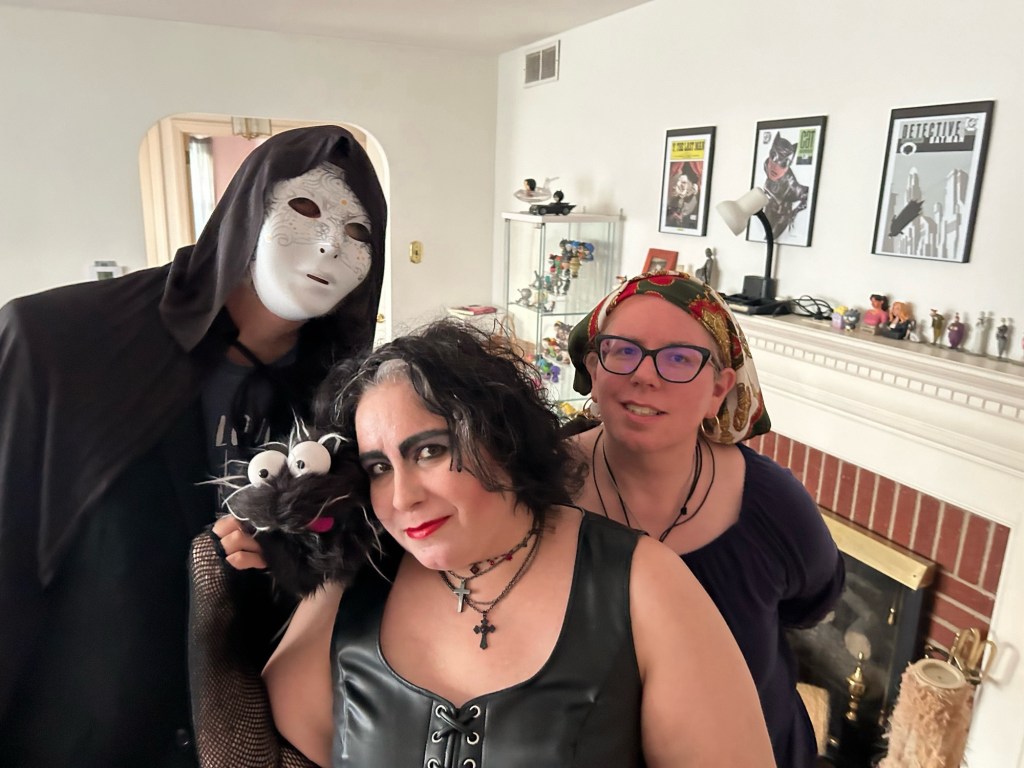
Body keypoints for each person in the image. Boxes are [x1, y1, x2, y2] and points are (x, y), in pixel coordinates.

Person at [189, 320, 775, 767]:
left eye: (430, 451)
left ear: (502, 435)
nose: (403, 497)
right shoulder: (360, 580)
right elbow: (267, 756)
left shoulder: (640, 581)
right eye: (378, 467)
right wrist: (239, 602)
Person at [0, 125, 387, 766]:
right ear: (245, 208)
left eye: (358, 233)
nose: (329, 243)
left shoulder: (345, 398)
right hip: (79, 729)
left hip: (242, 731)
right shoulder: (64, 343)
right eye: (306, 208)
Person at [565, 271, 845, 768]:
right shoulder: (537, 488)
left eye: (679, 359)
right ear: (594, 365)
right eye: (623, 350)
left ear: (719, 389)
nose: (644, 375)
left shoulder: (773, 505)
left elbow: (813, 601)